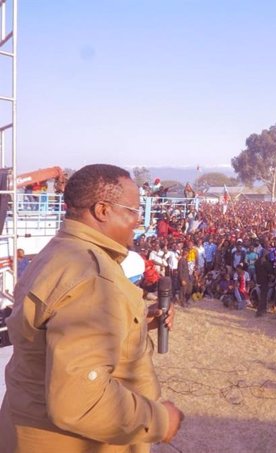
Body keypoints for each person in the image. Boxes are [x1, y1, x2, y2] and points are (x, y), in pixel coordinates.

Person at [0, 164, 183, 452]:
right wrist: (160, 420)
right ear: (102, 210)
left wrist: (134, 323)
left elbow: (49, 334)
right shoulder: (92, 275)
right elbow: (80, 401)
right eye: (133, 210)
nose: (138, 220)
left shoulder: (59, 252)